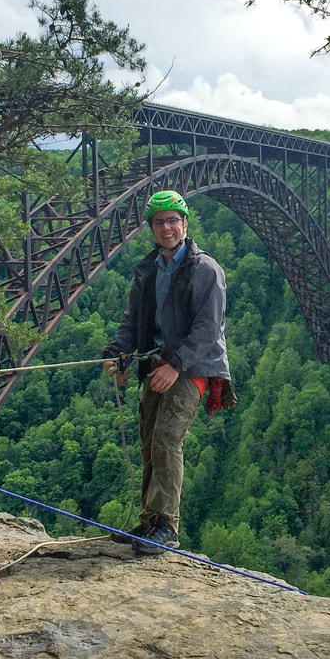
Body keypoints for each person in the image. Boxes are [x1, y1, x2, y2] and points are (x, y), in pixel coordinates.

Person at [102, 189, 234, 555]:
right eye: (159, 222)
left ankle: (166, 528)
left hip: (192, 368)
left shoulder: (205, 269)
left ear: (185, 224)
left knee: (166, 440)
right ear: (152, 228)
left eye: (173, 220)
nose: (167, 228)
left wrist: (176, 367)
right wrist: (116, 354)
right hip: (157, 366)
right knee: (149, 441)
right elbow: (133, 322)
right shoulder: (149, 270)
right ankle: (149, 522)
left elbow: (208, 329)